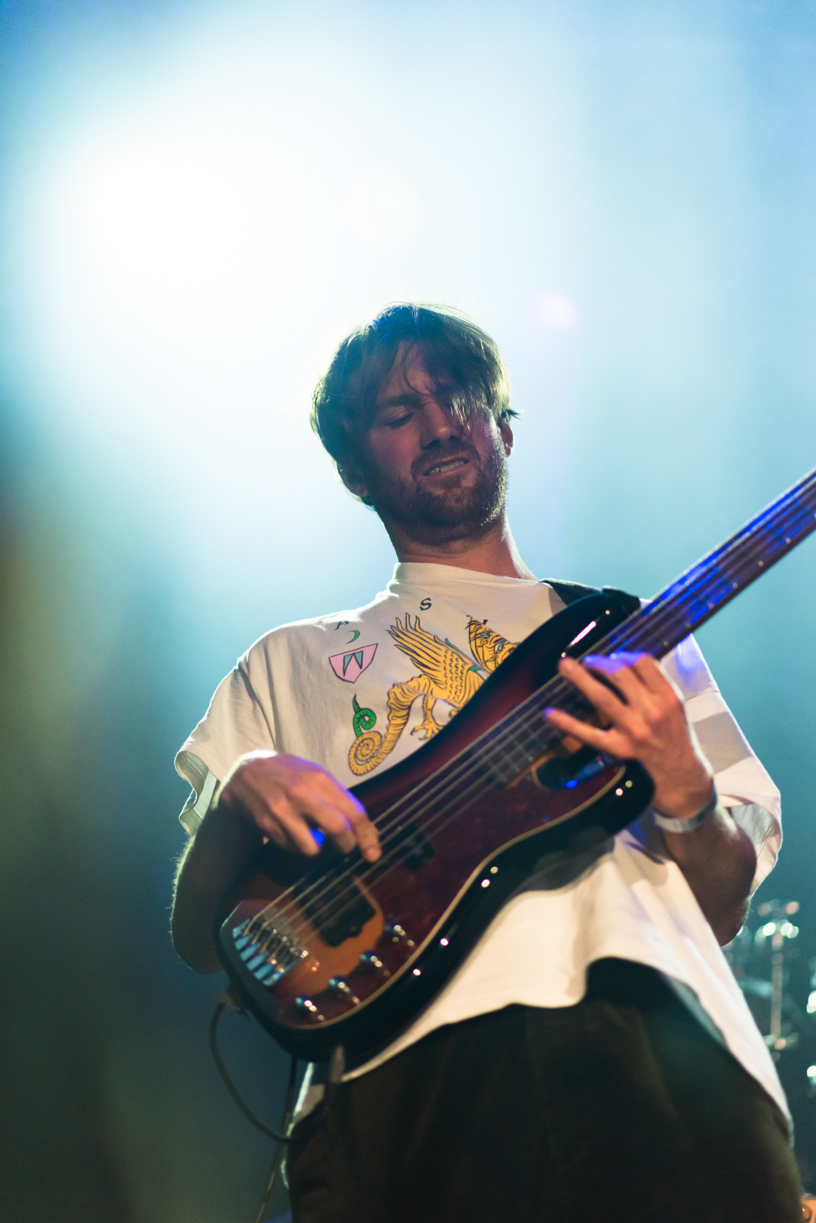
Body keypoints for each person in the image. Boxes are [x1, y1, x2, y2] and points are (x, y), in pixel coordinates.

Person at [172, 303, 803, 1222]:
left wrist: (684, 784)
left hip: (654, 1026)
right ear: (353, 471)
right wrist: (237, 796)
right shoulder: (287, 661)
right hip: (395, 1075)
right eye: (399, 412)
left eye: (462, 398)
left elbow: (724, 902)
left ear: (504, 430)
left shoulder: (628, 640)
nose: (439, 424)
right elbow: (202, 939)